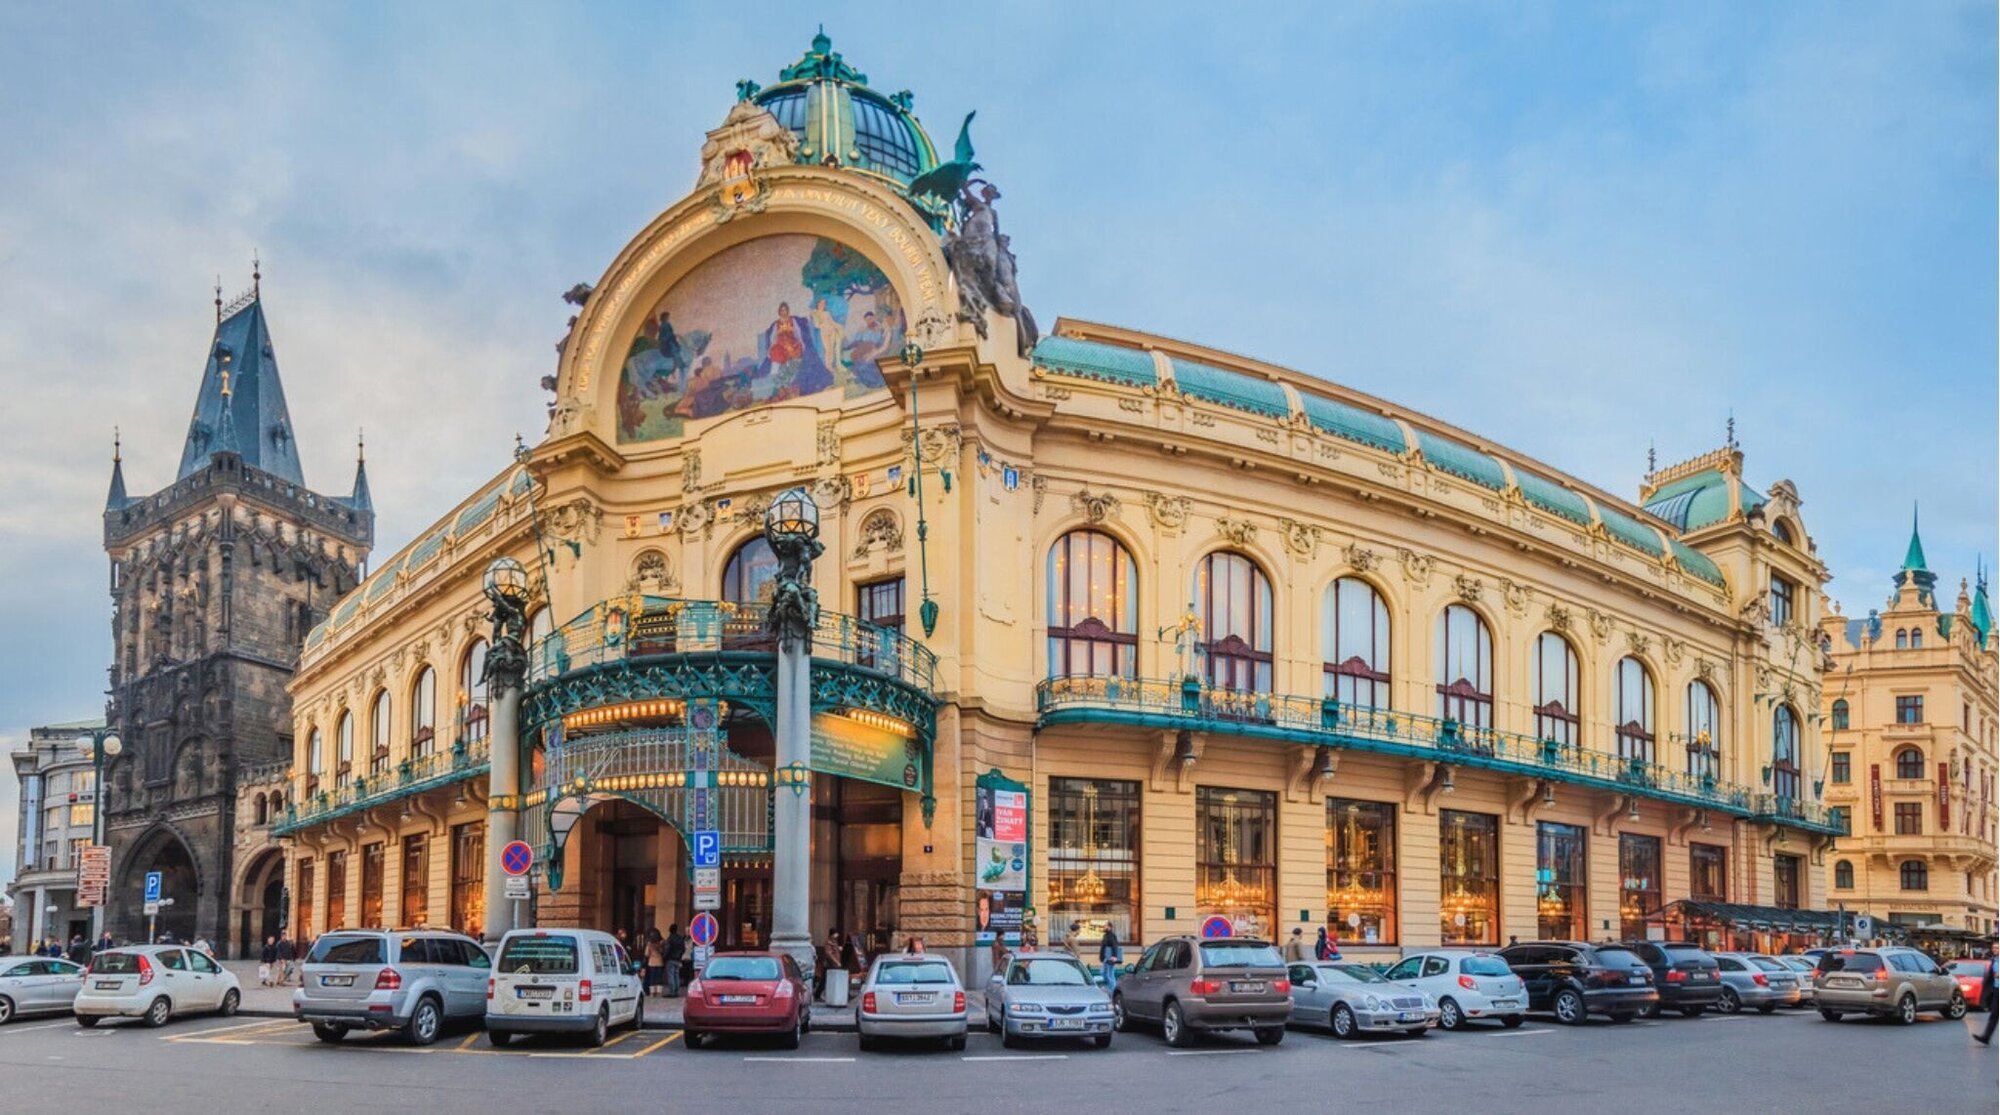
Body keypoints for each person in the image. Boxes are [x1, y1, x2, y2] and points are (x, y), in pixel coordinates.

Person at [1977, 944, 1998, 1046]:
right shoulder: (1994, 960)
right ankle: (1986, 1037)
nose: (1994, 949)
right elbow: (1991, 976)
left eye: (1997, 948)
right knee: (1994, 1015)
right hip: (1996, 991)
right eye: (1994, 948)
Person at [662, 924, 687, 998]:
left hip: (671, 959)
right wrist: (680, 956)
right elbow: (683, 949)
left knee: (671, 976)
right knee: (676, 975)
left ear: (670, 930)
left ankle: (672, 991)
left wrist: (664, 957)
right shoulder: (680, 938)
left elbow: (667, 949)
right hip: (678, 959)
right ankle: (676, 991)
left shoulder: (670, 938)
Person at [1098, 925, 1123, 994]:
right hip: (1106, 958)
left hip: (1110, 958)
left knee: (1109, 974)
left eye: (1106, 926)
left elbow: (1115, 945)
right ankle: (1111, 988)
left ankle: (1112, 990)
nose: (1104, 928)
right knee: (1104, 972)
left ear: (1110, 927)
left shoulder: (1111, 935)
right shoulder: (1106, 935)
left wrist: (1114, 956)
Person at [642, 928, 667, 998]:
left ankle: (652, 993)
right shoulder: (661, 943)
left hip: (651, 963)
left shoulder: (649, 944)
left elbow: (646, 954)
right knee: (659, 978)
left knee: (652, 978)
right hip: (660, 962)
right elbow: (663, 951)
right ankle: (659, 993)